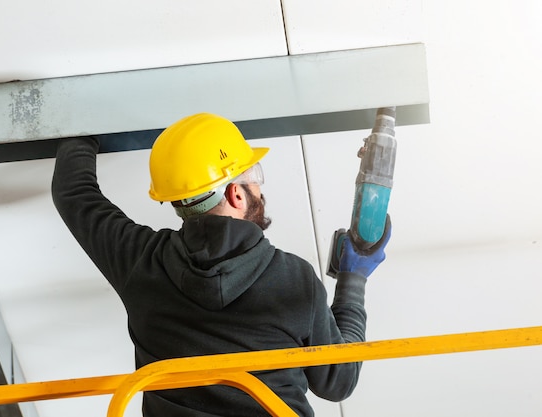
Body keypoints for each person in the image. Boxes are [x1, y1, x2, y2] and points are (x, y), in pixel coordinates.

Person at [51, 112, 390, 417]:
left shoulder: (139, 259)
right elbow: (338, 382)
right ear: (236, 194)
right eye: (253, 175)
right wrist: (353, 279)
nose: (258, 187)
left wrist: (79, 114)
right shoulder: (294, 278)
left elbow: (73, 192)